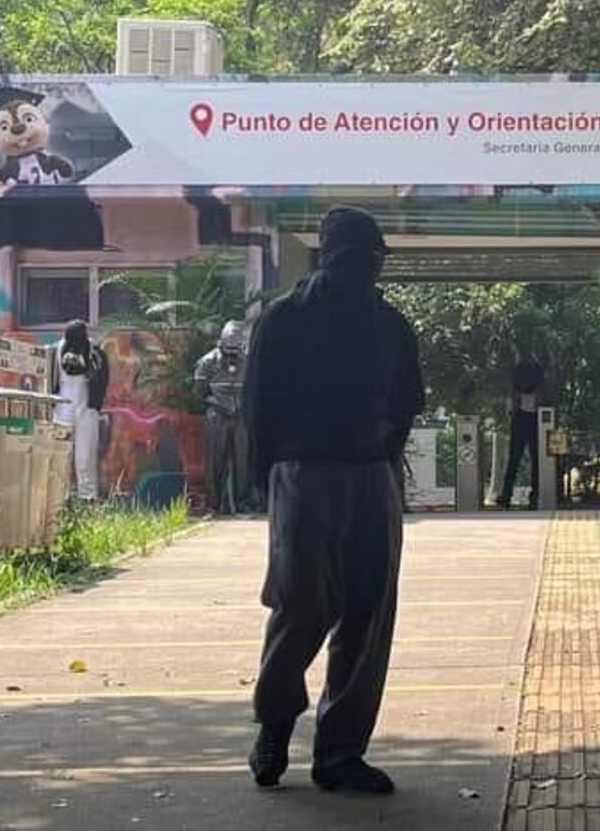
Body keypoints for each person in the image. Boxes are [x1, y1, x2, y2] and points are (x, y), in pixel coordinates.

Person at [244, 206, 425, 794]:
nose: (366, 267)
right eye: (355, 255)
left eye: (373, 258)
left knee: (368, 615)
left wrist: (387, 471)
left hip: (372, 474)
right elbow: (258, 406)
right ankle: (275, 723)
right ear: (330, 255)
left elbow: (405, 406)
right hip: (303, 474)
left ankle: (340, 753)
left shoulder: (392, 326)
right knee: (301, 605)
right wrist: (265, 479)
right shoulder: (283, 321)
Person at [194, 320, 253, 515]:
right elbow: (199, 394)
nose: (232, 355)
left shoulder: (249, 361)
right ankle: (213, 504)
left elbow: (255, 389)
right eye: (229, 349)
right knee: (215, 461)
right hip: (217, 414)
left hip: (241, 415)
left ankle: (242, 503)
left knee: (242, 461)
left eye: (235, 349)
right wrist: (216, 405)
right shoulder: (207, 362)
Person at [51, 320, 109, 501]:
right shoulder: (56, 350)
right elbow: (49, 377)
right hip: (62, 405)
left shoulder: (95, 352)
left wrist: (96, 405)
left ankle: (87, 497)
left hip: (87, 406)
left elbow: (103, 378)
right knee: (60, 452)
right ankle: (58, 497)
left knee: (86, 454)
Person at [496, 354, 544, 509]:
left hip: (520, 418)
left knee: (514, 459)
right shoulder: (539, 372)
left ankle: (506, 495)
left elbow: (511, 399)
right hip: (537, 418)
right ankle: (535, 496)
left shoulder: (517, 374)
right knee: (537, 459)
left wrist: (511, 410)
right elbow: (543, 395)